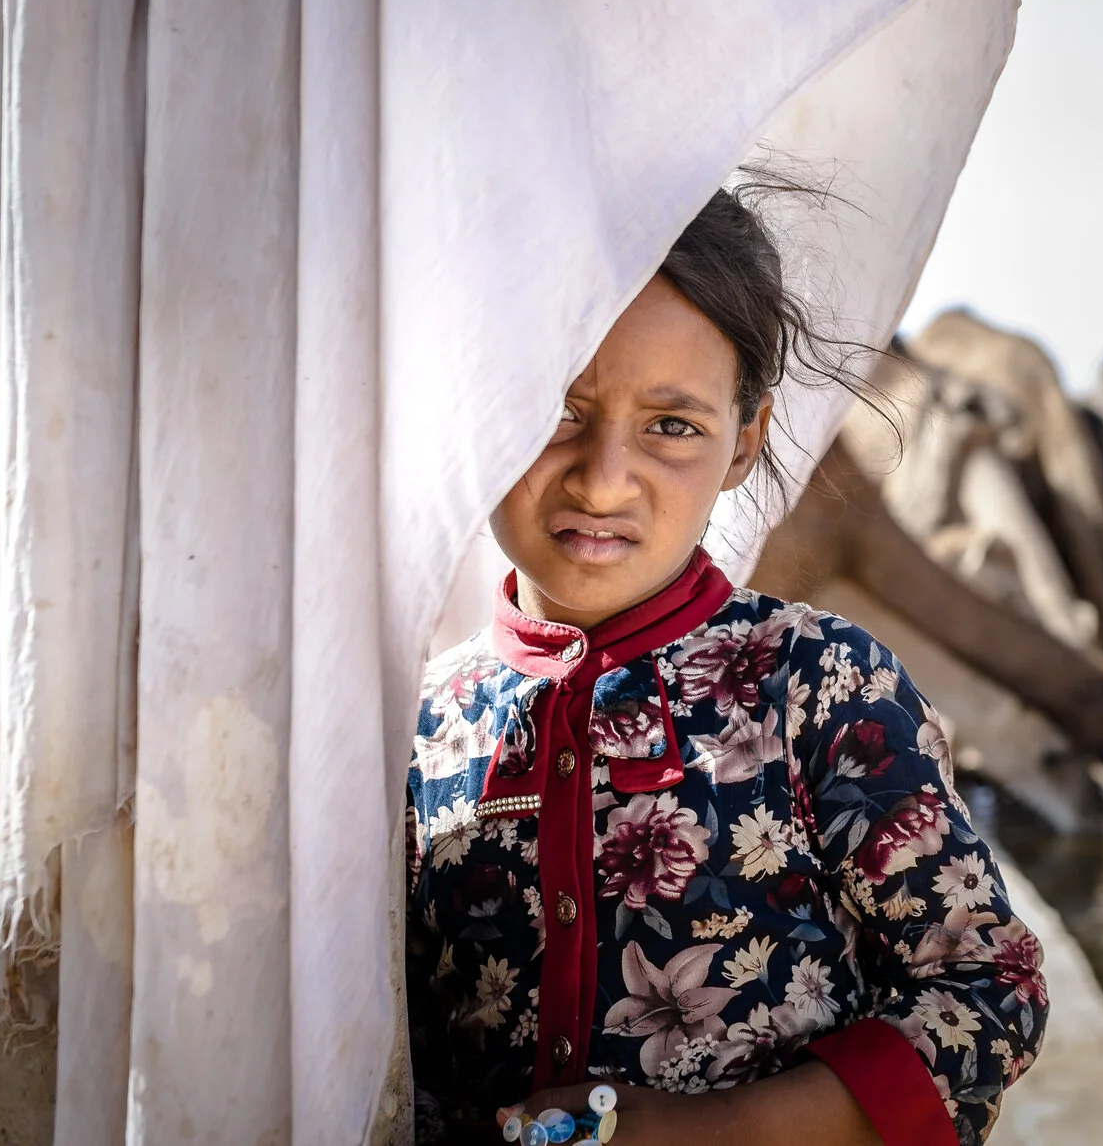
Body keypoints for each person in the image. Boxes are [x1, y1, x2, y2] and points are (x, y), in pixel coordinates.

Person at [406, 186, 1047, 1145]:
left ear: (746, 439)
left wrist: (717, 1130)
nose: (603, 477)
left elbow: (990, 990)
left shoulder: (821, 687)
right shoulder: (421, 727)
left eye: (672, 425)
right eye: (554, 411)